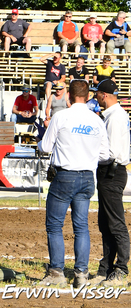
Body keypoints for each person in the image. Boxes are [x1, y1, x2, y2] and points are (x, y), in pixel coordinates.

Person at [37, 79, 109, 288]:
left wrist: (40, 142)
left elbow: (46, 146)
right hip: (87, 176)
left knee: (54, 225)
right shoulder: (96, 120)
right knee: (81, 226)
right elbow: (104, 154)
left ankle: (57, 272)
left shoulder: (61, 116)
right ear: (88, 97)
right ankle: (81, 274)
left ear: (68, 95)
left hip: (65, 176)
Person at [92, 79, 131, 287]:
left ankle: (120, 269)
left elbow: (112, 153)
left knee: (115, 223)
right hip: (111, 172)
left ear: (104, 95)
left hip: (111, 172)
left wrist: (89, 154)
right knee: (106, 223)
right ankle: (106, 267)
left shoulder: (114, 118)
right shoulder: (115, 115)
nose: (95, 97)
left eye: (97, 93)